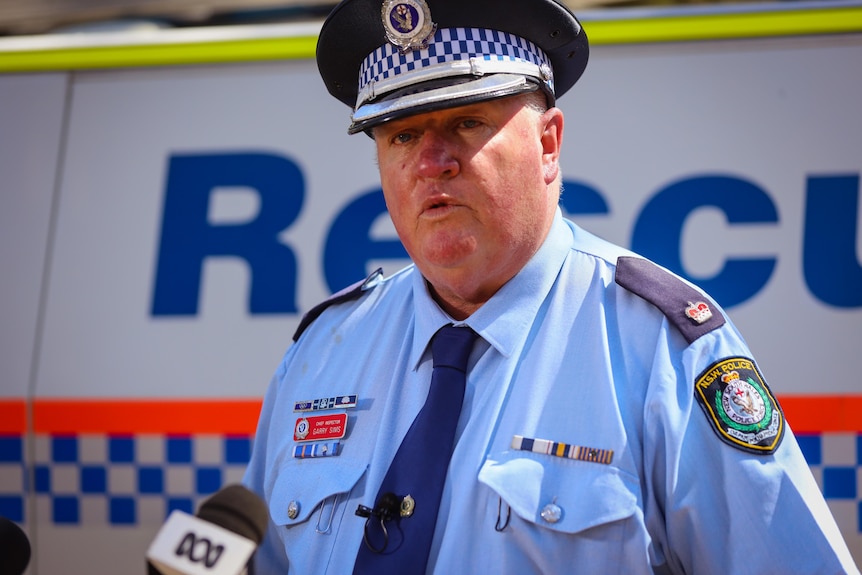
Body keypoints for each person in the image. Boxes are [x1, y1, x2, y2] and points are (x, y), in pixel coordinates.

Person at [243, 0, 859, 572]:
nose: (431, 162)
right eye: (401, 135)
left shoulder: (663, 350)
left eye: (465, 122)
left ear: (547, 143)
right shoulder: (324, 351)